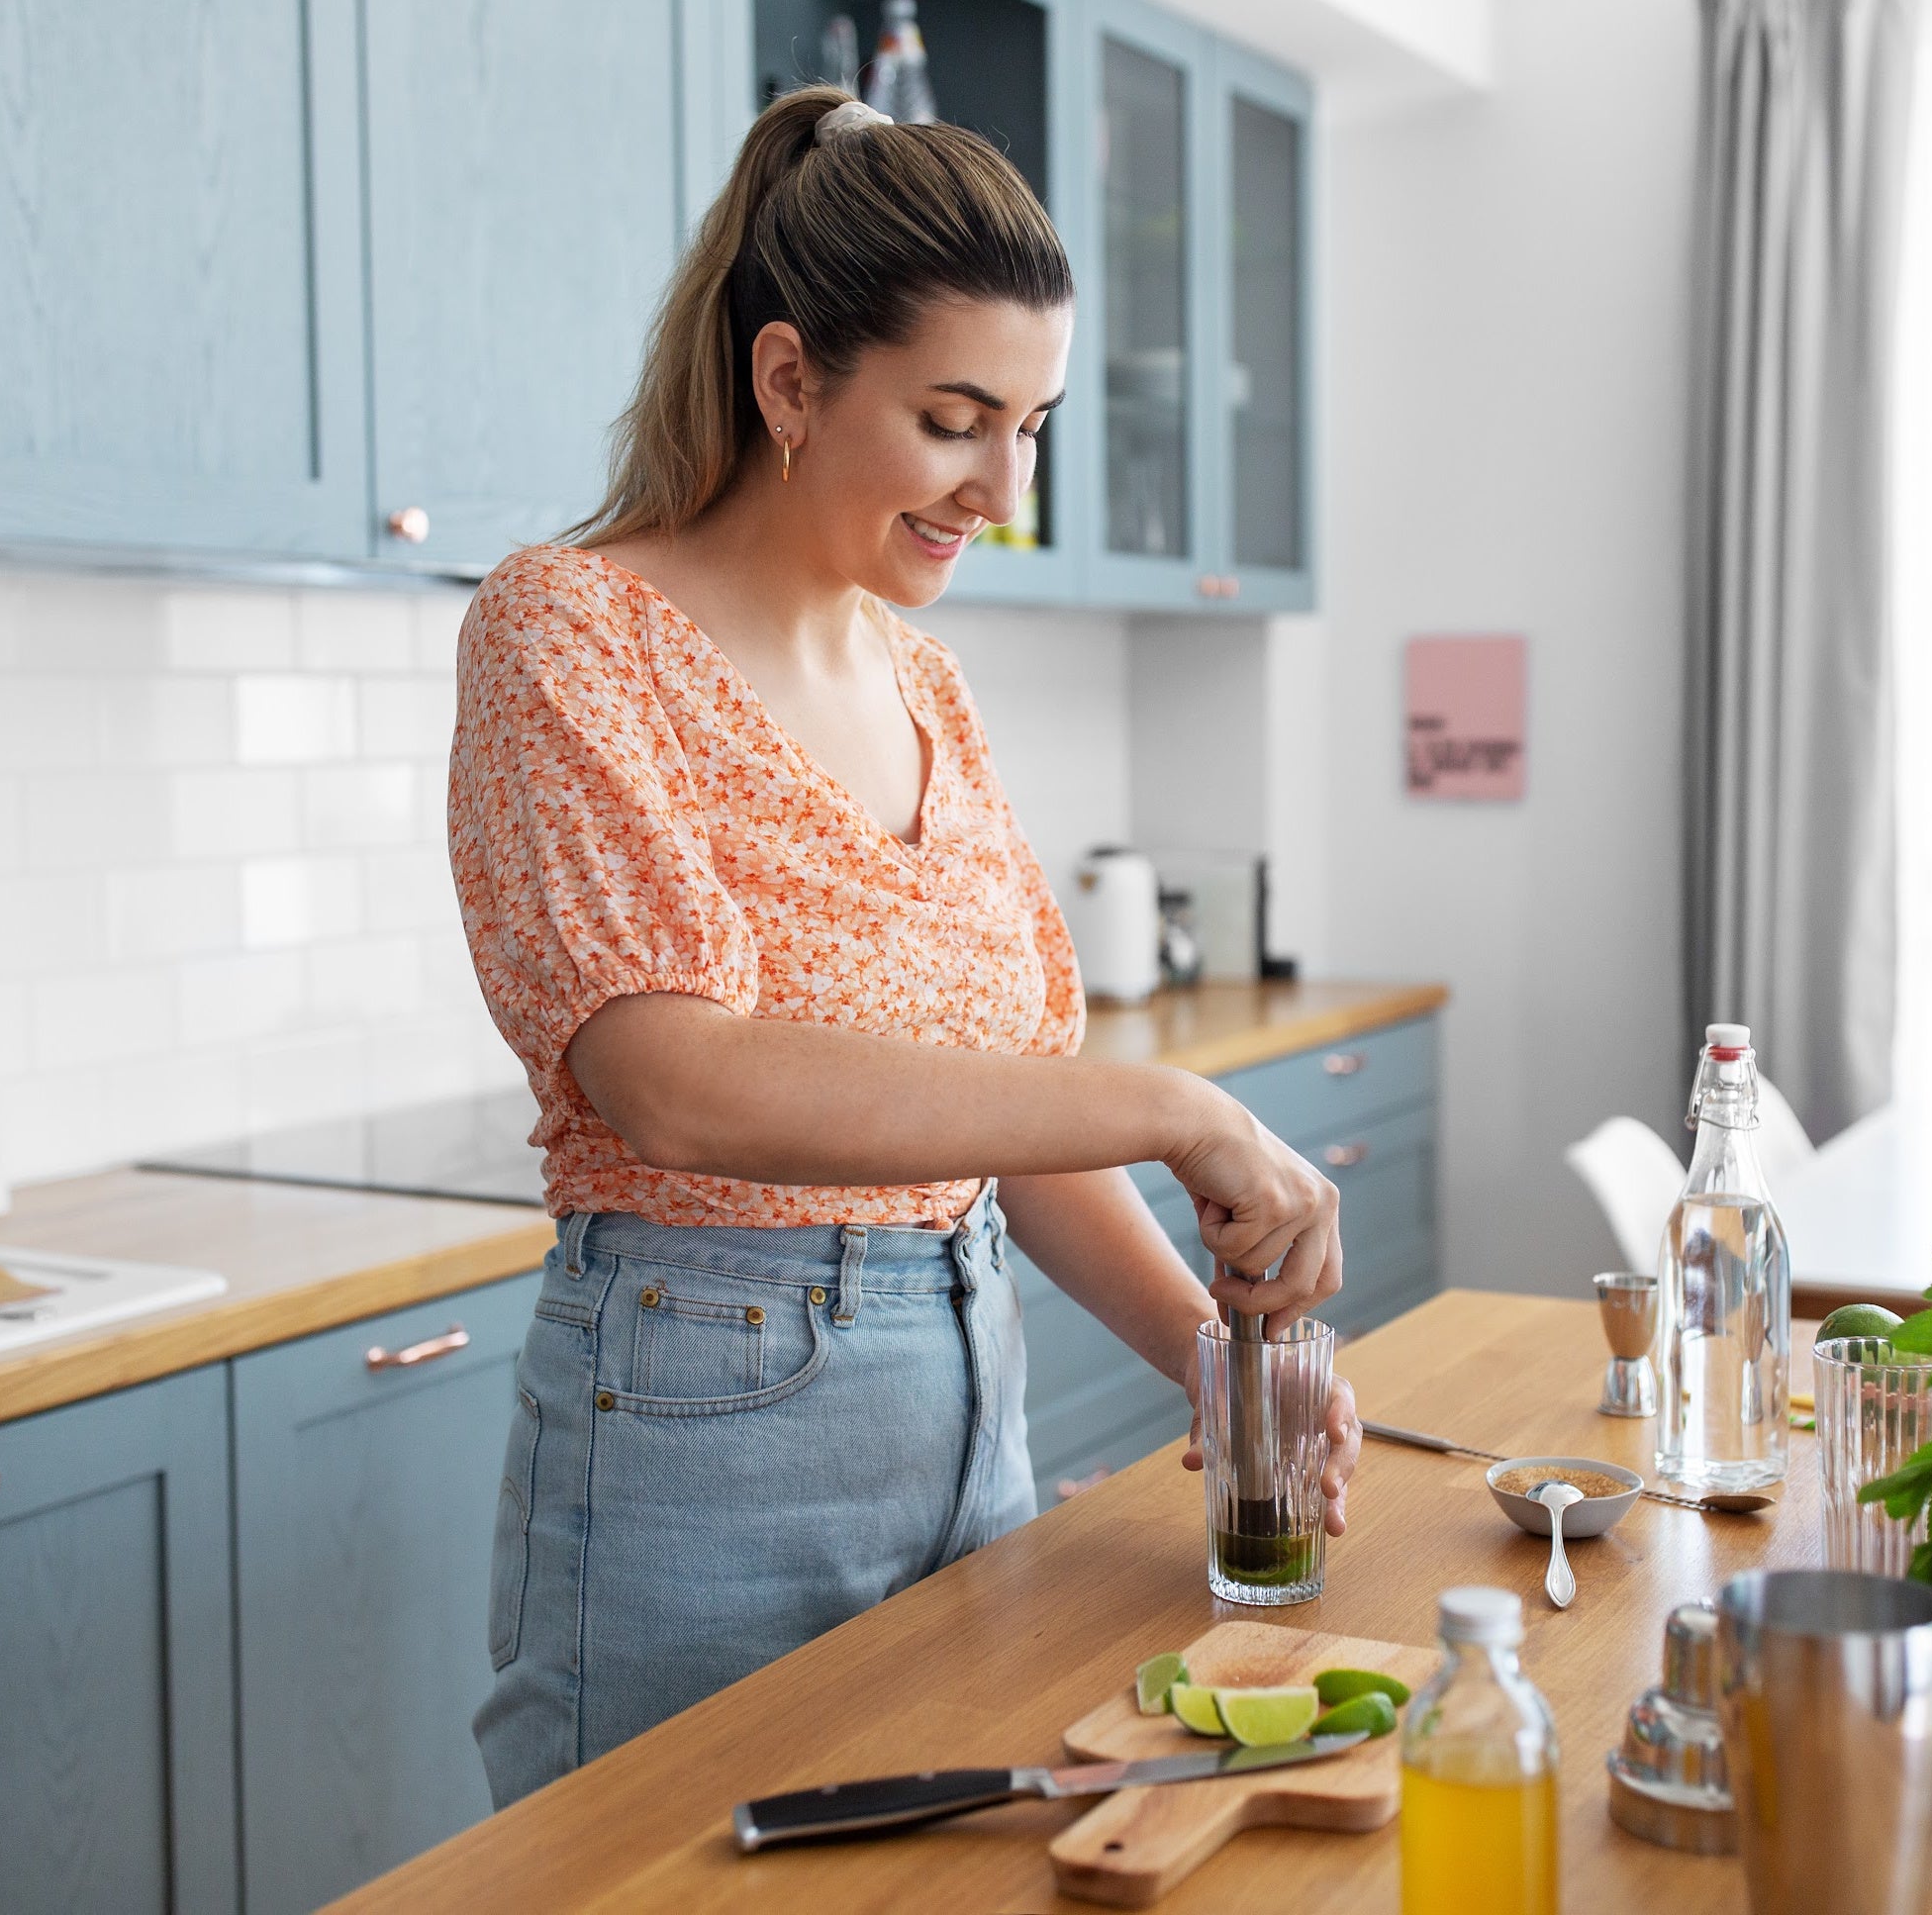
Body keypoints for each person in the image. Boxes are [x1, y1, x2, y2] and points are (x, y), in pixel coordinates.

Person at [448, 88, 1362, 1811]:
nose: (1004, 488)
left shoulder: (925, 680)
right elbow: (678, 1083)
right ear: (790, 380)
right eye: (956, 421)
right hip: (696, 1431)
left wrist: (1213, 1364)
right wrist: (1173, 1108)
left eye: (1032, 425)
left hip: (970, 1405)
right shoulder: (570, 629)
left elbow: (1001, 1118)